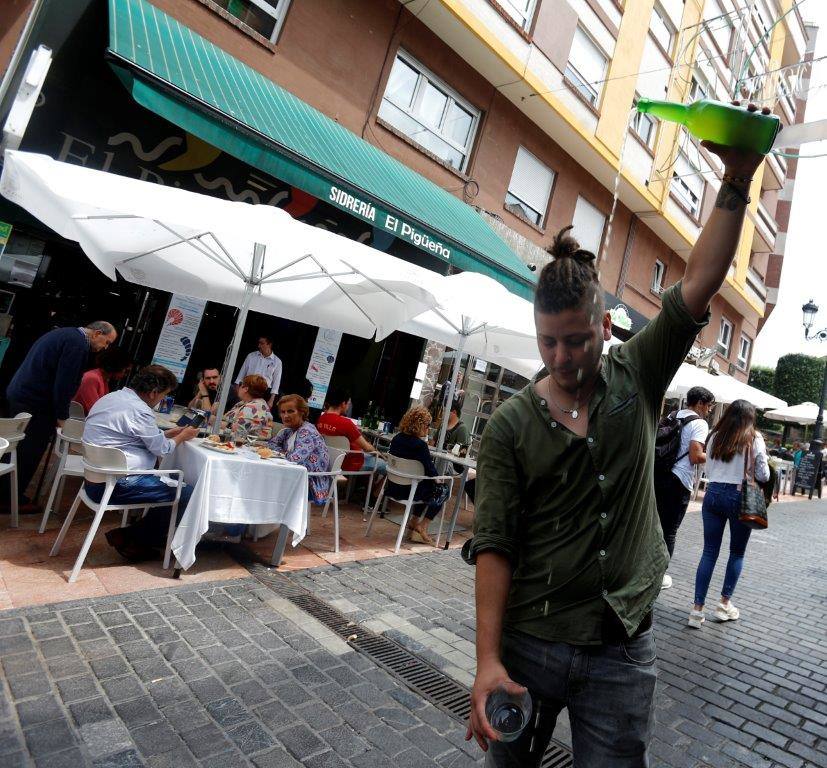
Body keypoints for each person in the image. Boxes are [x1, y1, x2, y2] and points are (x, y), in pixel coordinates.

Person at [464, 109, 768, 767]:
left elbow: (698, 282)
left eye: (576, 340)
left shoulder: (638, 373)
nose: (562, 356)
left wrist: (738, 180)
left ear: (605, 327)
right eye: (548, 342)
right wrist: (486, 661)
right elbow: (493, 546)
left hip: (622, 649)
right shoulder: (510, 427)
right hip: (530, 643)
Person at [82, 365, 199, 561]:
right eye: (163, 395)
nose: (161, 400)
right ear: (153, 393)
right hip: (114, 484)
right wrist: (183, 436)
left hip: (94, 479)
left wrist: (166, 434)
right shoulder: (140, 410)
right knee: (188, 493)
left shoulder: (112, 398)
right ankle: (133, 537)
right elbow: (162, 449)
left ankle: (146, 534)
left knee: (172, 482)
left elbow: (133, 437)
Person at [4, 321, 117, 509]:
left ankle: (7, 492)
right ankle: (9, 498)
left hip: (23, 393)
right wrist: (62, 417)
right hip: (35, 401)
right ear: (97, 333)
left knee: (19, 446)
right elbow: (64, 383)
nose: (105, 347)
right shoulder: (78, 344)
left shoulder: (66, 334)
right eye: (107, 342)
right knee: (30, 450)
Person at [688, 399, 769, 628]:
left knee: (709, 552)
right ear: (749, 418)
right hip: (738, 496)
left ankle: (696, 610)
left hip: (713, 494)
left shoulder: (715, 435)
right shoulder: (754, 438)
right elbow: (762, 473)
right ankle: (724, 605)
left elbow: (709, 468)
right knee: (737, 553)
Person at [654, 386, 715, 590]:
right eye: (709, 406)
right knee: (669, 531)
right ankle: (659, 575)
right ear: (700, 404)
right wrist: (716, 456)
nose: (709, 410)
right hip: (679, 480)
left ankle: (644, 567)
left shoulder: (673, 415)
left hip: (659, 475)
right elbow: (695, 456)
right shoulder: (699, 423)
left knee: (654, 525)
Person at [386, 406, 448, 545]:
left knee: (424, 484)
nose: (428, 429)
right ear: (420, 425)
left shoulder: (396, 439)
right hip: (410, 491)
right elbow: (430, 471)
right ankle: (422, 525)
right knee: (442, 490)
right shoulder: (420, 446)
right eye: (427, 426)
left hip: (392, 487)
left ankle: (414, 521)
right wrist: (440, 480)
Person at [268, 394, 330, 503]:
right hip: (295, 476)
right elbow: (271, 444)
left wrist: (281, 453)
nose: (286, 416)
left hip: (310, 483)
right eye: (283, 412)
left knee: (265, 479)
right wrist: (283, 453)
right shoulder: (289, 430)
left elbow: (294, 459)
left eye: (290, 411)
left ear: (302, 412)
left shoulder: (306, 431)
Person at [316, 386, 386, 477]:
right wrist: (379, 454)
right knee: (387, 467)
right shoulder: (346, 423)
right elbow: (367, 448)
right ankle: (372, 491)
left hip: (329, 459)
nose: (348, 406)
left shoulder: (321, 419)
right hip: (351, 463)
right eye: (348, 403)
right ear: (343, 403)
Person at [73, 346, 132, 415]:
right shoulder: (92, 378)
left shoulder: (103, 379)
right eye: (126, 371)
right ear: (118, 365)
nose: (126, 375)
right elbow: (95, 410)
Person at [220, 374, 273, 438]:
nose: (238, 387)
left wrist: (220, 423)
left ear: (246, 389)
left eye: (240, 384)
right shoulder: (244, 403)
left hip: (246, 445)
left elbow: (239, 432)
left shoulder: (253, 407)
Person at [235, 336, 282, 408]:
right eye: (259, 343)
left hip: (264, 393)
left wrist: (271, 400)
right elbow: (241, 375)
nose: (259, 346)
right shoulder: (251, 356)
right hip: (248, 389)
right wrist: (238, 391)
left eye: (262, 343)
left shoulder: (277, 362)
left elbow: (276, 383)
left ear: (269, 344)